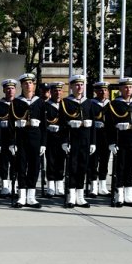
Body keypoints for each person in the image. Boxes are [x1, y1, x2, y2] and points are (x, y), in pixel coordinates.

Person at [105, 77, 132, 207]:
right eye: (126, 87)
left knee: (131, 168)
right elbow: (109, 126)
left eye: (131, 87)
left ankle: (128, 195)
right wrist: (111, 142)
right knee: (120, 168)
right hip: (120, 141)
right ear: (120, 89)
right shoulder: (114, 104)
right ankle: (119, 194)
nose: (128, 90)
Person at [10, 73, 47, 208]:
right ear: (21, 85)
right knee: (21, 166)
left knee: (34, 166)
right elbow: (11, 124)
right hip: (21, 138)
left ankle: (31, 197)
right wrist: (12, 142)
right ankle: (21, 197)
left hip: (35, 138)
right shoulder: (16, 102)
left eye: (30, 83)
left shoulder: (40, 102)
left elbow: (44, 125)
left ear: (34, 85)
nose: (28, 85)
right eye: (25, 83)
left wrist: (43, 143)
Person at [59, 74, 96, 208]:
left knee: (82, 168)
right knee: (72, 168)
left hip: (85, 140)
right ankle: (71, 196)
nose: (79, 87)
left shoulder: (88, 103)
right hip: (72, 140)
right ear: (72, 87)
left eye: (81, 84)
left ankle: (80, 196)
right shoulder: (65, 103)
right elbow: (62, 124)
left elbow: (93, 125)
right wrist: (64, 141)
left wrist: (93, 142)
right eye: (77, 85)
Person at [87, 81, 111, 198]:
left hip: (106, 137)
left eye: (105, 90)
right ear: (96, 91)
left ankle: (102, 186)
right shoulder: (91, 103)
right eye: (100, 90)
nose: (103, 92)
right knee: (93, 162)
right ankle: (93, 186)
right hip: (95, 137)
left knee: (105, 162)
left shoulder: (110, 104)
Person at [44, 82, 66, 196]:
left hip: (62, 138)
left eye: (59, 90)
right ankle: (51, 187)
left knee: (61, 162)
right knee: (51, 162)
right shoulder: (46, 105)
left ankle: (60, 186)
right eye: (55, 91)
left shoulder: (65, 105)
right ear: (51, 92)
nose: (58, 93)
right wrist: (48, 127)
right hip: (50, 138)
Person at [0, 79, 18, 197]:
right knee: (4, 163)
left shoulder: (19, 103)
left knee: (16, 163)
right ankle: (5, 186)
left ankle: (14, 184)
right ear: (4, 90)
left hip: (16, 138)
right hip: (4, 137)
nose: (10, 91)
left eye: (12, 88)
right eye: (8, 88)